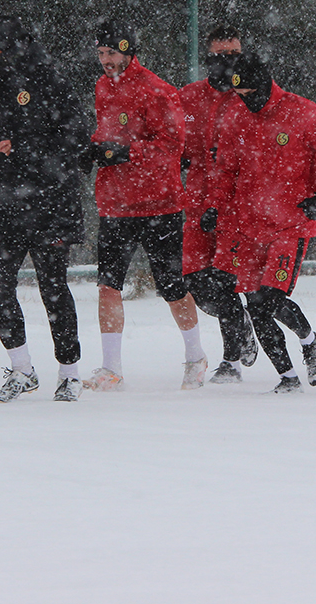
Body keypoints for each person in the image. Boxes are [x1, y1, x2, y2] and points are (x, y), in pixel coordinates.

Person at [207, 53, 316, 393]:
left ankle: (310, 340)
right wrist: (215, 206)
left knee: (269, 300)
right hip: (250, 225)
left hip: (291, 225)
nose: (247, 102)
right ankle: (287, 379)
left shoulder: (302, 112)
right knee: (255, 306)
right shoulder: (236, 117)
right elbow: (226, 169)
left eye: (252, 94)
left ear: (267, 85)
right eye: (240, 96)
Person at [83, 21, 207, 391]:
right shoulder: (102, 87)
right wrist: (92, 150)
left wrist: (126, 152)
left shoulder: (158, 91)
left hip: (159, 205)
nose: (106, 61)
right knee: (108, 285)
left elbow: (171, 146)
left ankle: (195, 356)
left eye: (112, 53)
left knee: (170, 286)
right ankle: (111, 368)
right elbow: (106, 134)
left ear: (128, 51)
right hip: (115, 205)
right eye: (101, 53)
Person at [0, 18, 91, 403]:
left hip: (50, 202)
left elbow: (75, 138)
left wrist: (27, 152)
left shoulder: (52, 82)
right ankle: (22, 369)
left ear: (11, 48)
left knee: (53, 287)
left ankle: (70, 373)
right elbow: (1, 138)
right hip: (7, 201)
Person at [179, 24, 260, 384]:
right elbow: (172, 141)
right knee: (196, 282)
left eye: (233, 56)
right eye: (219, 56)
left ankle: (231, 362)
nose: (226, 63)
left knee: (227, 280)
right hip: (197, 204)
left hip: (235, 206)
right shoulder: (187, 97)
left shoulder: (251, 97)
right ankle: (241, 323)